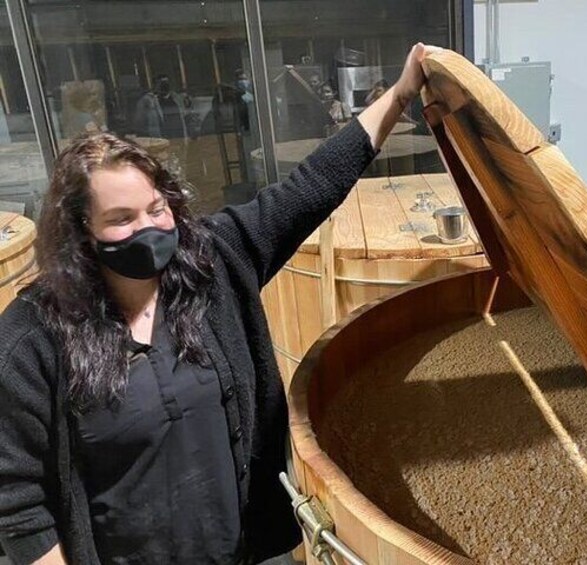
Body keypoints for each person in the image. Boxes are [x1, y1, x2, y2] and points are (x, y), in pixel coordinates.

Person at [0, 43, 437, 565]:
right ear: (80, 234)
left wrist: (402, 92)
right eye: (121, 218)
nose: (148, 228)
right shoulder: (33, 340)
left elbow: (312, 185)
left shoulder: (211, 263)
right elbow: (17, 500)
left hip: (242, 552)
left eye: (157, 208)